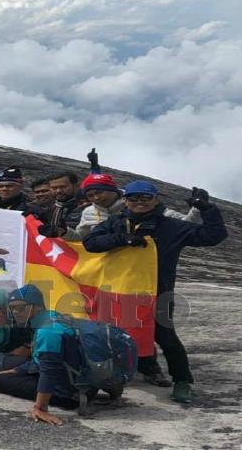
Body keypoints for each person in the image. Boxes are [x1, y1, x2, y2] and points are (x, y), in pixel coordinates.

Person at [83, 181, 227, 403]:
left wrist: (207, 209)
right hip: (121, 292)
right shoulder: (116, 222)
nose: (139, 202)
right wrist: (122, 239)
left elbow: (213, 235)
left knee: (165, 336)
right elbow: (90, 243)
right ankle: (118, 376)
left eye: (145, 198)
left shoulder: (172, 226)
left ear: (156, 198)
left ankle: (182, 381)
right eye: (133, 198)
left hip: (159, 292)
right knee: (113, 334)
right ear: (125, 200)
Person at [0, 285, 90, 425]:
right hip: (88, 382)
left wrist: (40, 408)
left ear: (36, 307)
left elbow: (49, 370)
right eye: (11, 308)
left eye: (20, 308)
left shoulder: (46, 331)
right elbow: (41, 360)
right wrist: (14, 371)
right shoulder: (58, 317)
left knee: (0, 381)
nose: (15, 312)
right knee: (10, 371)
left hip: (72, 395)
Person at [75, 173, 202, 240]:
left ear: (112, 190)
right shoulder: (88, 211)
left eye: (99, 192)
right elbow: (80, 238)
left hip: (146, 270)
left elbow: (188, 226)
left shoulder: (143, 205)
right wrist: (63, 232)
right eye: (90, 195)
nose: (96, 198)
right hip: (105, 271)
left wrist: (198, 208)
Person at [37, 171, 85, 240]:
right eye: (54, 188)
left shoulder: (86, 207)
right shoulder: (52, 206)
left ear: (76, 186)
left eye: (63, 187)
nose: (58, 191)